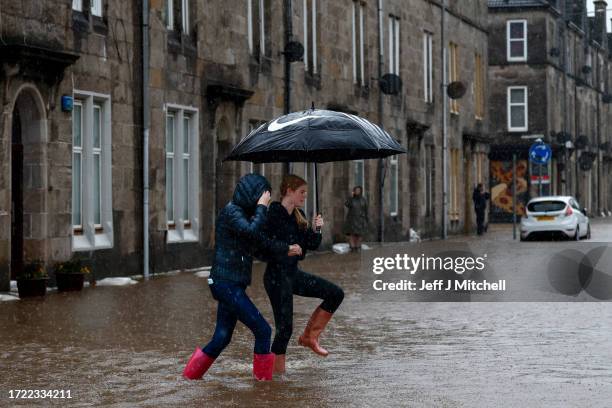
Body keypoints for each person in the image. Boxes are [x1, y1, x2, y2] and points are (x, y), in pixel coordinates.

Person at [182, 174, 303, 381]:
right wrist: (262, 208)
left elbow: (261, 243)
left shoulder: (244, 215)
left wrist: (286, 249)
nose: (265, 201)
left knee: (222, 338)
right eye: (264, 196)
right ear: (254, 194)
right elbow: (251, 233)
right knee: (263, 331)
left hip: (230, 284)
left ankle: (189, 378)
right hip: (225, 284)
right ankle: (263, 387)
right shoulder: (232, 212)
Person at [263, 175, 345, 374]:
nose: (305, 196)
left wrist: (317, 228)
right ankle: (277, 379)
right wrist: (286, 248)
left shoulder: (298, 217)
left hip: (293, 274)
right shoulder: (273, 214)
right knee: (285, 329)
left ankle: (310, 336)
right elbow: (262, 245)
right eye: (302, 192)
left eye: (306, 192)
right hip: (276, 277)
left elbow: (312, 244)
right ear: (289, 191)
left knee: (335, 293)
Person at [343, 186, 368, 251]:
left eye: (358, 190)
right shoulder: (351, 200)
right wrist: (350, 197)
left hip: (360, 219)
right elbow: (346, 204)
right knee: (352, 234)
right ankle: (352, 246)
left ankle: (358, 246)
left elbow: (366, 210)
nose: (357, 192)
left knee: (360, 234)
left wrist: (366, 219)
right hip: (352, 219)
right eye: (356, 190)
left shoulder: (363, 200)